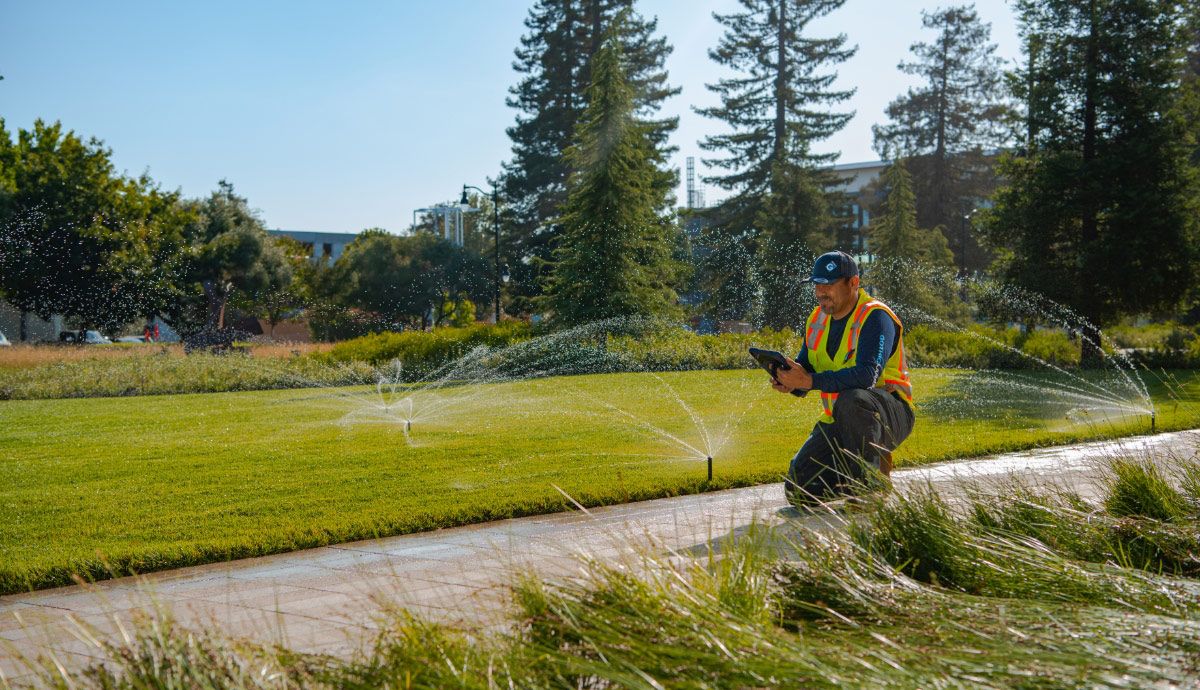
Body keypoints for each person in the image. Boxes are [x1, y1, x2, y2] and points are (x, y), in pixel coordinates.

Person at [769, 250, 915, 506]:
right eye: (817, 285)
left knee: (853, 399)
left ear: (853, 283)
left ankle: (870, 486)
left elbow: (867, 376)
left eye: (829, 284)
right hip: (841, 418)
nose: (821, 292)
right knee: (799, 490)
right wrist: (790, 381)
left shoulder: (875, 316)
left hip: (890, 413)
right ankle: (862, 478)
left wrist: (809, 381)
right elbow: (807, 369)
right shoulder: (816, 319)